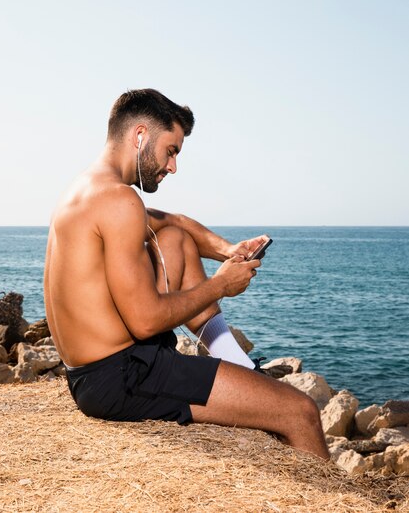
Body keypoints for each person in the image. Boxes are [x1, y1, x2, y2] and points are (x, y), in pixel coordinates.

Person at [44, 88, 329, 460]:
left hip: (91, 374)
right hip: (124, 376)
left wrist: (229, 250)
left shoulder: (86, 190)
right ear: (140, 135)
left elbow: (176, 223)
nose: (173, 166)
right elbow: (145, 321)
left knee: (176, 239)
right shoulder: (119, 201)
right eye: (171, 150)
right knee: (299, 411)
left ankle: (235, 360)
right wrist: (220, 285)